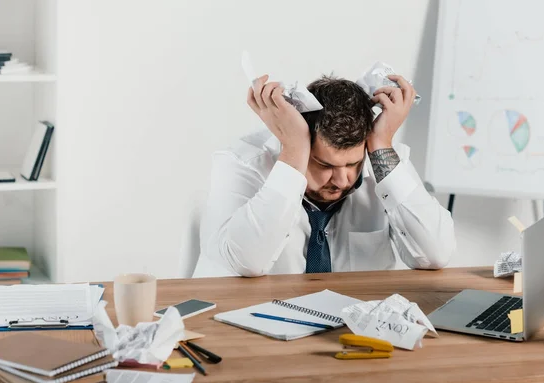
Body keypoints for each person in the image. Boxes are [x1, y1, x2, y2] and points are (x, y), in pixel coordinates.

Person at [194, 72, 455, 277]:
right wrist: (294, 152)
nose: (343, 181)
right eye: (325, 165)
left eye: (353, 164)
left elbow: (436, 254)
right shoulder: (241, 163)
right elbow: (245, 262)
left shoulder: (382, 158)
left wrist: (382, 146)